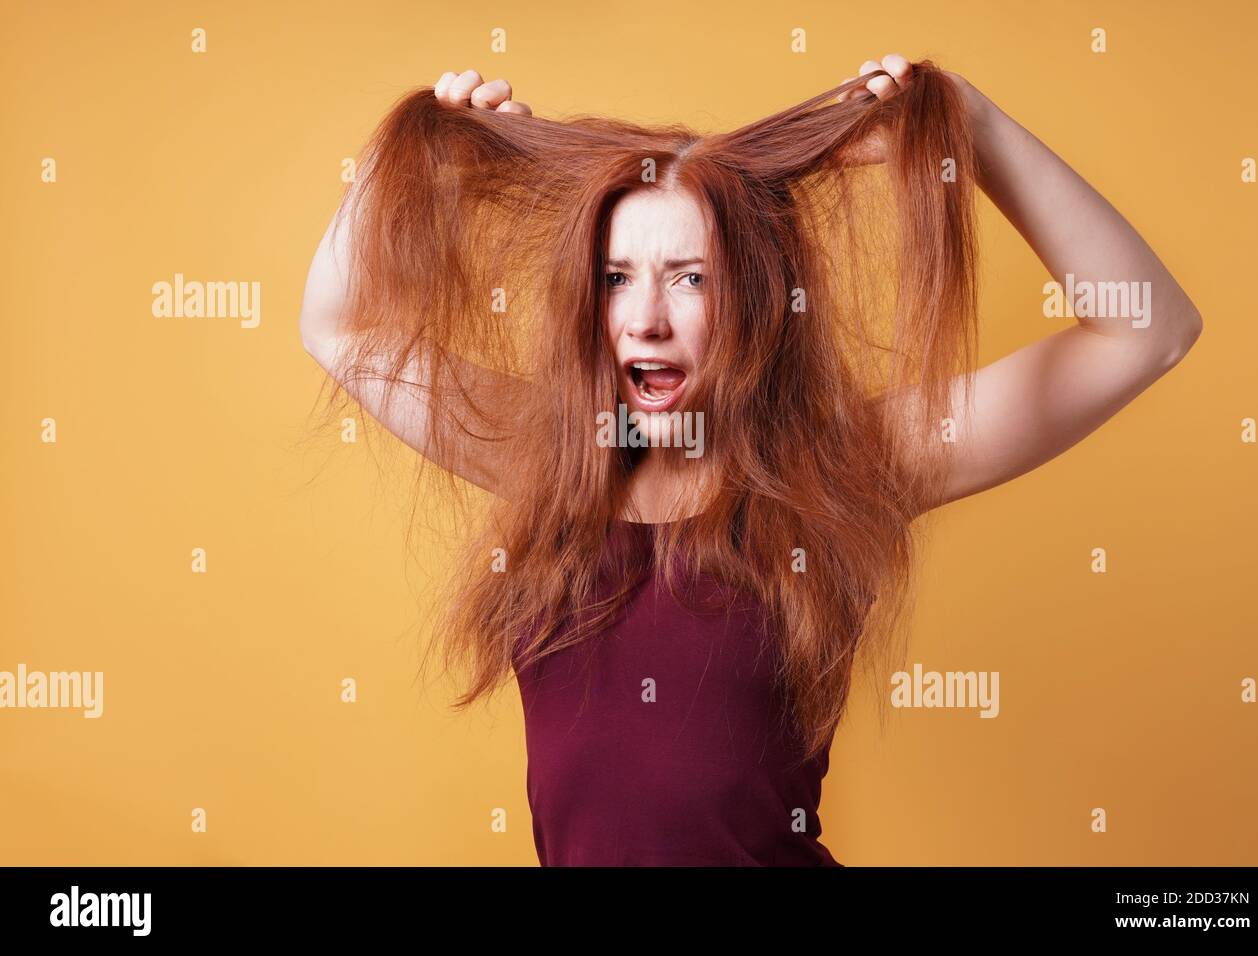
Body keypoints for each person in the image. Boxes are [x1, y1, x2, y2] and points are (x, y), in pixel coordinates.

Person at [298, 55, 1201, 865]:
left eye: (690, 277)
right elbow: (337, 327)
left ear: (759, 299)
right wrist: (409, 163)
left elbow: (1146, 331)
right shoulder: (551, 458)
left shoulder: (845, 468)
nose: (646, 317)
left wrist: (974, 125)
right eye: (618, 277)